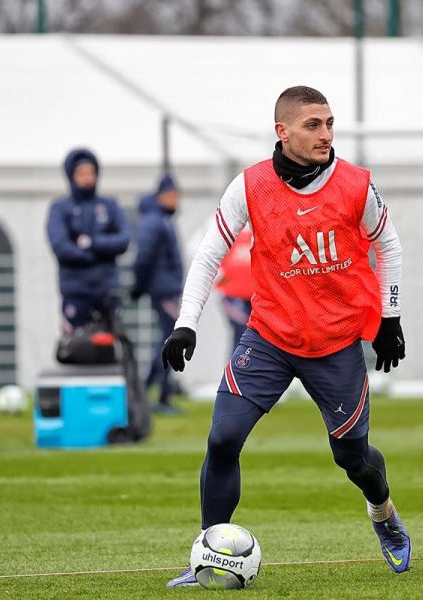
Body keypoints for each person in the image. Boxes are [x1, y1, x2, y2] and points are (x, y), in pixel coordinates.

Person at [161, 86, 410, 586]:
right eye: (313, 125)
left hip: (335, 343)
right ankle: (209, 554)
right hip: (269, 337)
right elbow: (210, 253)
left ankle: (383, 513)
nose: (326, 134)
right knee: (223, 437)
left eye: (329, 124)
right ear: (283, 131)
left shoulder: (357, 185)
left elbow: (388, 242)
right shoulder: (248, 186)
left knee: (353, 458)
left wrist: (390, 317)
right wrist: (186, 323)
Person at [47, 148, 130, 332]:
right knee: (74, 347)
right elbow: (60, 245)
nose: (87, 178)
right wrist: (94, 256)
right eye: (81, 173)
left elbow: (123, 240)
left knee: (113, 346)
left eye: (90, 172)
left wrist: (91, 244)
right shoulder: (60, 208)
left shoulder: (109, 205)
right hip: (75, 292)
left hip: (107, 291)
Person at [131, 173, 184, 414]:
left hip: (165, 288)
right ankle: (158, 395)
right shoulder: (155, 221)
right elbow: (143, 258)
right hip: (162, 289)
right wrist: (139, 286)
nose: (176, 199)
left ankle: (145, 391)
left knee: (167, 339)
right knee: (170, 340)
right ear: (162, 195)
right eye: (173, 194)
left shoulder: (160, 219)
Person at [216, 229, 255, 352]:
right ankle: (234, 369)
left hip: (255, 297)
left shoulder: (258, 236)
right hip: (234, 297)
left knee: (253, 338)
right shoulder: (230, 237)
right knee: (242, 335)